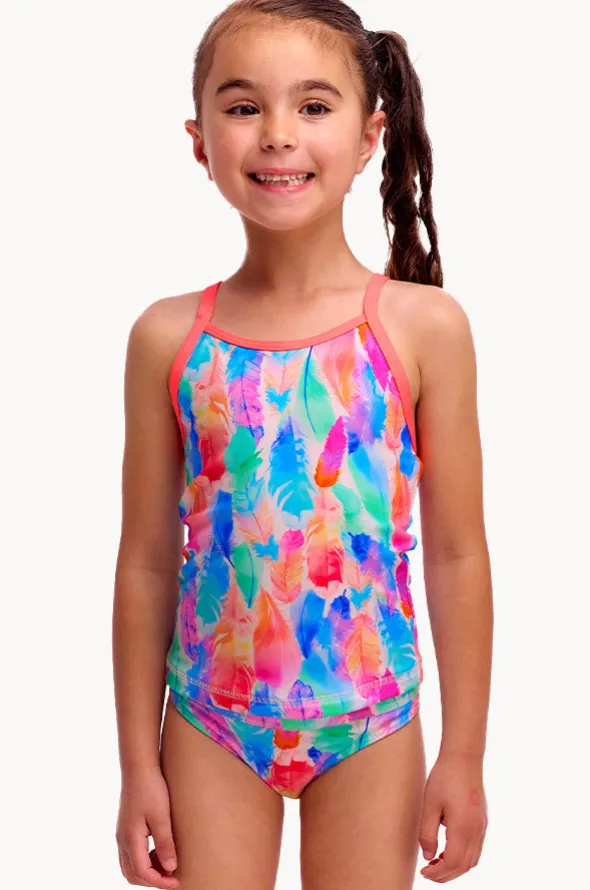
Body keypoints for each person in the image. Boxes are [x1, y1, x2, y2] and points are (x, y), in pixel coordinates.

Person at [113, 1, 493, 888]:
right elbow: (146, 562)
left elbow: (456, 553)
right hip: (210, 719)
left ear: (369, 138)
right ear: (200, 142)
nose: (279, 133)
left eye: (314, 106)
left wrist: (465, 755)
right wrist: (136, 765)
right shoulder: (168, 338)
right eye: (244, 106)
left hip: (371, 720)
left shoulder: (422, 326)